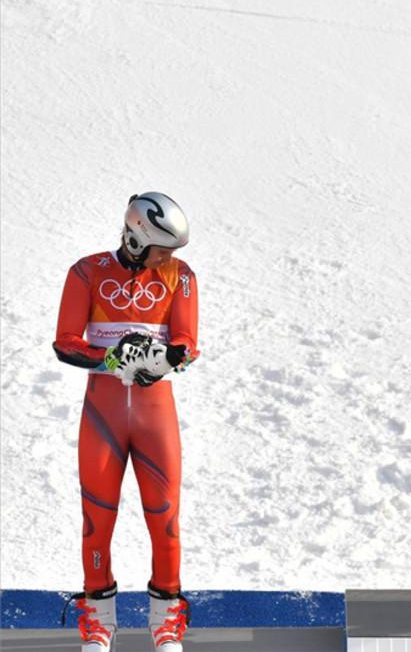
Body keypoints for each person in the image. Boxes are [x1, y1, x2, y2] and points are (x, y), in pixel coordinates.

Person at [53, 192, 199, 651]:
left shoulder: (181, 276)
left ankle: (167, 617)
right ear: (136, 236)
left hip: (155, 413)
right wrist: (111, 357)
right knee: (97, 517)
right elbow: (65, 342)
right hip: (104, 413)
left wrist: (167, 358)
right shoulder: (87, 271)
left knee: (165, 517)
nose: (167, 259)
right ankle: (99, 618)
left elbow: (187, 341)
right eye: (161, 250)